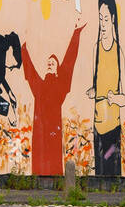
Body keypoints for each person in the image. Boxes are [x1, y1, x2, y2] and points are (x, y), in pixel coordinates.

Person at [22, 17, 85, 176]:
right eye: (48, 62)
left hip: (53, 129)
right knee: (40, 159)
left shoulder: (60, 84)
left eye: (53, 63)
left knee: (53, 159)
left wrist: (76, 33)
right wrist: (23, 48)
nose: (50, 64)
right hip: (40, 130)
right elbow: (30, 71)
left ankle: (56, 180)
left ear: (57, 69)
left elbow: (69, 60)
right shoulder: (40, 85)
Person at [88, 0, 125, 177]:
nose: (102, 23)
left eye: (105, 18)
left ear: (112, 18)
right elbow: (94, 84)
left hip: (113, 125)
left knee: (111, 168)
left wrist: (114, 98)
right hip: (97, 125)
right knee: (99, 171)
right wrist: (92, 92)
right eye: (100, 18)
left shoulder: (119, 53)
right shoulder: (96, 50)